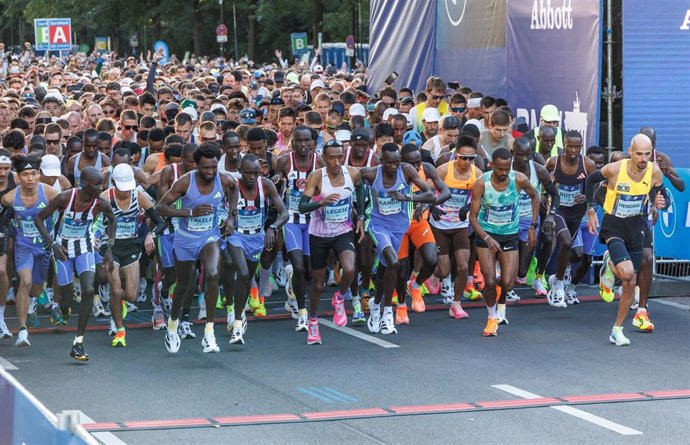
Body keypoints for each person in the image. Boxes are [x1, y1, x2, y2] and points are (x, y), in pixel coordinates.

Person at [585, 134, 667, 346]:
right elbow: (590, 180)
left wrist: (661, 202)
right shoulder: (615, 169)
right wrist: (590, 211)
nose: (643, 158)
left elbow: (663, 196)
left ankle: (617, 329)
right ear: (630, 151)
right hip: (614, 226)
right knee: (628, 273)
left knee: (630, 282)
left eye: (647, 154)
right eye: (639, 153)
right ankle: (611, 265)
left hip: (637, 227)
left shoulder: (654, 171)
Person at [156, 142, 238, 354]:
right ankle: (172, 325)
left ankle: (209, 332)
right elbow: (160, 207)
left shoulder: (224, 179)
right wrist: (190, 213)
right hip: (185, 239)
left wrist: (231, 216)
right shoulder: (185, 182)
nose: (210, 172)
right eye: (205, 168)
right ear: (196, 166)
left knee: (212, 275)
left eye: (213, 167)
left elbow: (234, 189)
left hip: (209, 236)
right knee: (184, 284)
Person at [35, 166, 116, 361]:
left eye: (102, 183)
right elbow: (39, 219)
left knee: (88, 290)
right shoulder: (65, 198)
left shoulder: (100, 204)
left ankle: (78, 342)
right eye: (97, 184)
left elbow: (112, 220)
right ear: (83, 183)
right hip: (62, 249)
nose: (101, 187)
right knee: (66, 300)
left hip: (84, 247)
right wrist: (52, 244)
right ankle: (63, 307)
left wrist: (110, 247)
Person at [361, 143, 435, 335]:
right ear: (381, 161)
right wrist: (361, 215)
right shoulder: (371, 173)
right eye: (389, 163)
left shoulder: (407, 171)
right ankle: (387, 312)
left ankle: (375, 304)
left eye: (396, 162)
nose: (393, 167)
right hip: (378, 225)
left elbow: (429, 194)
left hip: (399, 227)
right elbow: (356, 184)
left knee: (387, 268)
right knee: (394, 262)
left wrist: (407, 198)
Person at [298, 140, 367, 344]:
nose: (336, 162)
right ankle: (312, 321)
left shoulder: (352, 173)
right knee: (318, 284)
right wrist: (320, 202)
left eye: (340, 157)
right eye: (332, 157)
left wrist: (361, 217)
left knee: (350, 268)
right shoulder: (316, 176)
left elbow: (361, 191)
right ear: (323, 158)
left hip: (342, 230)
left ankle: (339, 298)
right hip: (318, 234)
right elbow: (302, 207)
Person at [469, 148, 539, 337]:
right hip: (486, 234)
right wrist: (486, 238)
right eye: (499, 169)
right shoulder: (481, 183)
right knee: (490, 279)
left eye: (506, 169)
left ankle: (498, 296)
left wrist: (533, 226)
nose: (503, 173)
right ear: (492, 165)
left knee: (508, 283)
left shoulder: (519, 180)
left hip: (509, 234)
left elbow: (535, 196)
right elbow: (472, 218)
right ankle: (492, 317)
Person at [101, 164, 165, 347]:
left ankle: (117, 302)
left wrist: (151, 234)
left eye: (128, 187)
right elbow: (93, 224)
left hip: (131, 249)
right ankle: (120, 330)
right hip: (110, 248)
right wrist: (101, 245)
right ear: (113, 183)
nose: (126, 192)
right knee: (115, 289)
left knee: (131, 295)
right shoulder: (105, 198)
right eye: (122, 188)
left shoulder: (139, 196)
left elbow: (159, 221)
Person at [226, 155, 287, 344]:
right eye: (248, 173)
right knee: (243, 273)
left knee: (247, 277)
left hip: (257, 237)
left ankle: (240, 309)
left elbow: (284, 213)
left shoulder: (266, 185)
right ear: (240, 172)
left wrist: (272, 227)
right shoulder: (232, 184)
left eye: (255, 173)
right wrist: (228, 219)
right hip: (236, 235)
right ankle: (237, 322)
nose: (252, 177)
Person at [0, 155, 60, 347]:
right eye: (25, 175)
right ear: (18, 177)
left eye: (34, 174)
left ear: (39, 174)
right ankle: (23, 330)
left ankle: (34, 299)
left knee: (36, 287)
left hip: (44, 247)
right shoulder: (9, 198)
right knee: (24, 281)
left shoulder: (50, 193)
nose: (30, 179)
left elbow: (67, 212)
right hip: (23, 246)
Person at [630, 127, 685, 332]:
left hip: (648, 211)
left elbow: (680, 187)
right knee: (632, 256)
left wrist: (668, 172)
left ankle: (640, 302)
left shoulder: (661, 159)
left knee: (646, 257)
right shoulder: (629, 157)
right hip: (629, 210)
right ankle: (620, 274)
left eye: (651, 142)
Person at [273, 126, 322, 330]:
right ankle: (302, 311)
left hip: (313, 220)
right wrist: (278, 181)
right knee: (299, 266)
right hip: (292, 219)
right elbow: (276, 188)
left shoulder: (318, 162)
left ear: (312, 142)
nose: (303, 145)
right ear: (293, 141)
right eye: (298, 140)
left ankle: (293, 291)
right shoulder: (284, 160)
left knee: (310, 271)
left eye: (306, 141)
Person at [541, 131, 597, 307]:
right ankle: (558, 284)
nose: (573, 150)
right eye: (570, 146)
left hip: (576, 213)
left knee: (570, 247)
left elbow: (595, 189)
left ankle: (556, 278)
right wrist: (544, 196)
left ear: (581, 146)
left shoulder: (588, 164)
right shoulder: (553, 162)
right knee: (565, 242)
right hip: (559, 210)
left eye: (577, 146)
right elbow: (544, 180)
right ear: (564, 145)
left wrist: (587, 198)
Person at [399, 143, 450, 322]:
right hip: (399, 225)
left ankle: (416, 285)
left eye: (418, 162)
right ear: (401, 162)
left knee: (431, 259)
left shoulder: (426, 168)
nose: (415, 167)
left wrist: (428, 203)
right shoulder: (394, 172)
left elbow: (446, 192)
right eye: (411, 163)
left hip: (419, 223)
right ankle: (401, 306)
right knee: (401, 268)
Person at [511, 137, 558, 309]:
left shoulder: (538, 170)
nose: (524, 159)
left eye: (527, 156)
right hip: (506, 220)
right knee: (509, 259)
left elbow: (555, 194)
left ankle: (536, 273)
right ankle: (505, 287)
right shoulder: (504, 168)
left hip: (530, 220)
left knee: (521, 272)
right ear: (513, 154)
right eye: (520, 155)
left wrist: (551, 216)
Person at [0, 151, 16, 339]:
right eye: (0, 169)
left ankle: (1, 317)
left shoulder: (16, 179)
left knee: (2, 272)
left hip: (4, 229)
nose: (3, 173)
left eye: (6, 168)